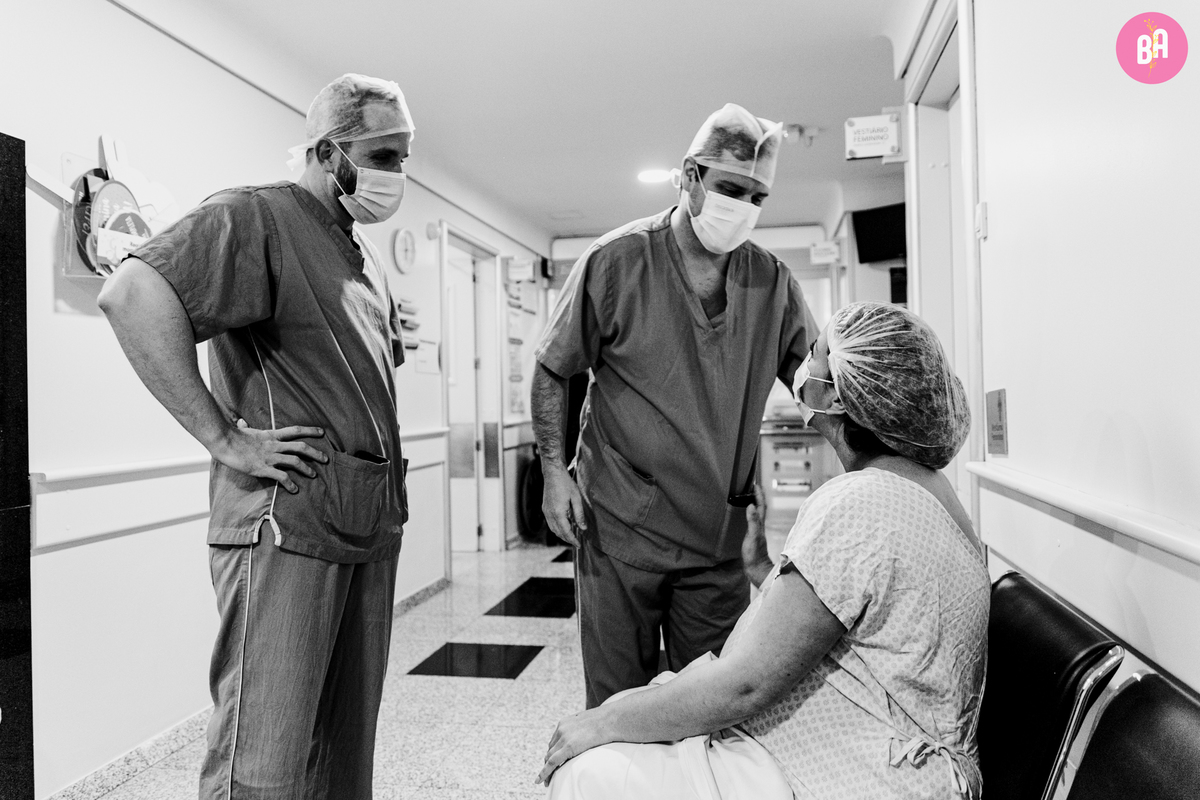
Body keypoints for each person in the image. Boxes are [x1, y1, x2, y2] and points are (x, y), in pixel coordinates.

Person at [97, 73, 414, 799]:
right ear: (330, 150)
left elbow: (336, 363)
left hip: (364, 522)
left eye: (402, 158)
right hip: (289, 524)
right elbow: (131, 294)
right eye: (385, 156)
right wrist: (226, 437)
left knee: (339, 760)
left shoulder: (350, 250)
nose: (397, 176)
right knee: (263, 765)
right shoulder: (257, 216)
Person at [538, 302, 990, 800]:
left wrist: (600, 722)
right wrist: (760, 568)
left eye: (815, 355)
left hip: (866, 773)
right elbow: (876, 619)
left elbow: (744, 687)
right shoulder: (933, 493)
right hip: (915, 765)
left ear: (843, 397)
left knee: (589, 769)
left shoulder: (861, 500)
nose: (800, 370)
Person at [532, 103, 818, 709]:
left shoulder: (773, 284)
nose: (743, 207)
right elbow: (553, 368)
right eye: (730, 188)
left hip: (719, 537)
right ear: (691, 176)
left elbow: (818, 387)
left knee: (708, 711)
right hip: (618, 529)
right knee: (617, 708)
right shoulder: (617, 261)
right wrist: (555, 473)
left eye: (757, 195)